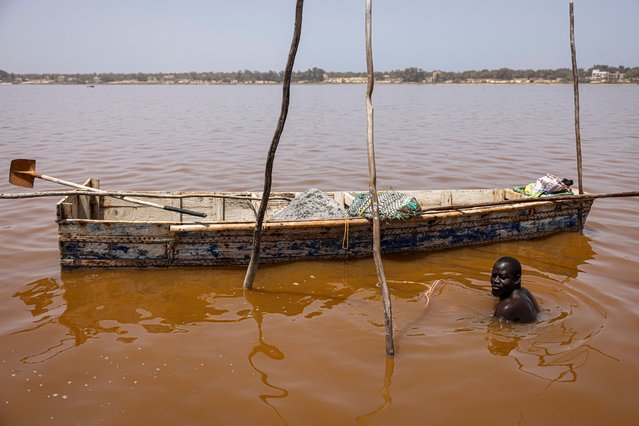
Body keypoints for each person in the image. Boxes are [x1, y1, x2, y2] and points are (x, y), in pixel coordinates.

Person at [490, 256, 540, 323]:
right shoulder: (524, 292)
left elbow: (494, 330)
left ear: (517, 279)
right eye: (494, 275)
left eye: (503, 277)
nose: (496, 281)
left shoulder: (508, 307)